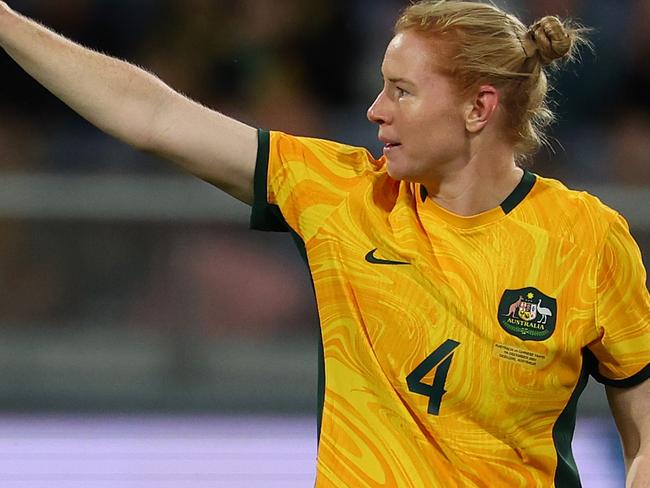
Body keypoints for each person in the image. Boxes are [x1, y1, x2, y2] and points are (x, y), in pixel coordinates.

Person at [0, 0, 648, 486]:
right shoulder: (342, 195)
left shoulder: (586, 239)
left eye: (401, 90)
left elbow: (644, 431)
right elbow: (154, 116)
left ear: (478, 108)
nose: (374, 110)